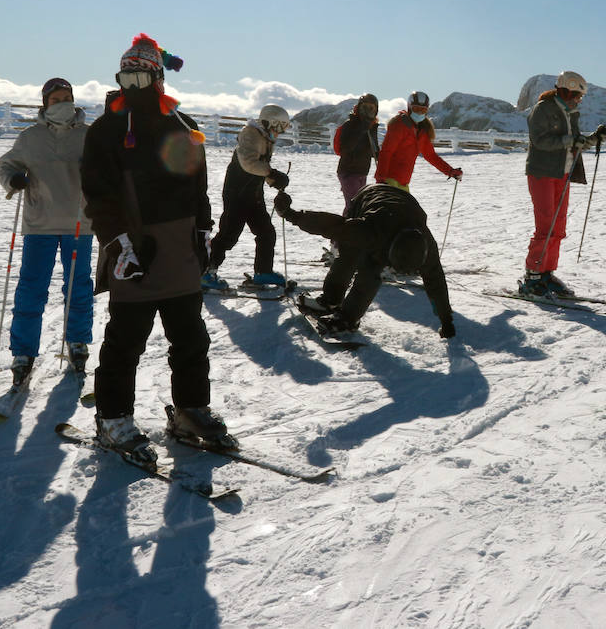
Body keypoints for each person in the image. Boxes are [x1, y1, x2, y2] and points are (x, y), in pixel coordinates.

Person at [81, 34, 232, 460]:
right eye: (125, 76)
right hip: (136, 251)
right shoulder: (107, 130)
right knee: (125, 341)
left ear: (158, 78)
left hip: (180, 250)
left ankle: (190, 409)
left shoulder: (181, 125)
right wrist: (118, 244)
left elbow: (197, 187)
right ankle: (113, 419)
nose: (132, 85)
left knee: (190, 338)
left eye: (140, 76)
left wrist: (204, 231)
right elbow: (98, 195)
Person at [0, 77, 94, 386]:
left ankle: (77, 341)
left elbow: (107, 169)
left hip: (80, 222)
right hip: (39, 223)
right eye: (55, 99)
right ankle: (23, 352)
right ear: (45, 103)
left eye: (67, 97)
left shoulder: (89, 136)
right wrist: (14, 180)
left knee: (77, 285)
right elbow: (6, 166)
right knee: (31, 288)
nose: (62, 104)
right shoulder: (30, 137)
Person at [272, 185, 455, 339]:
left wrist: (446, 321)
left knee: (371, 269)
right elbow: (332, 225)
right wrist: (290, 214)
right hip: (367, 200)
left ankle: (348, 318)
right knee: (353, 258)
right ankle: (331, 300)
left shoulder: (426, 246)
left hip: (405, 206)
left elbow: (436, 282)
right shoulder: (369, 229)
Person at [521, 70, 606, 296]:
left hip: (563, 173)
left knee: (558, 227)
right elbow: (539, 141)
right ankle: (532, 276)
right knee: (545, 226)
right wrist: (569, 140)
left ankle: (547, 272)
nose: (579, 99)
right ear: (567, 89)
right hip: (542, 172)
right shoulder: (543, 109)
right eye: (577, 94)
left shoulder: (571, 113)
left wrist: (593, 139)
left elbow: (574, 144)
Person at [201, 105, 292, 290]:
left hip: (253, 194)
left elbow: (260, 165)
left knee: (266, 232)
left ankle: (263, 272)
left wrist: (272, 180)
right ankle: (205, 272)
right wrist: (272, 173)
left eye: (284, 127)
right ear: (269, 122)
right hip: (237, 193)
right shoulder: (251, 134)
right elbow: (249, 163)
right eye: (279, 126)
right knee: (228, 234)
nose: (280, 131)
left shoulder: (265, 138)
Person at [374, 91, 462, 190]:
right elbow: (386, 152)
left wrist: (450, 171)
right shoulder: (399, 124)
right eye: (416, 109)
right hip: (389, 180)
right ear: (409, 107)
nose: (419, 113)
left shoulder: (422, 130)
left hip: (404, 182)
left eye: (423, 110)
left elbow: (430, 155)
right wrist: (381, 178)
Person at [335, 93, 380, 212]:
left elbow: (374, 150)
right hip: (348, 172)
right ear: (359, 108)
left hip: (362, 171)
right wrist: (361, 129)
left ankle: (347, 227)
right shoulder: (350, 125)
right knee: (354, 206)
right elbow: (346, 148)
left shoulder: (372, 127)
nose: (368, 111)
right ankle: (346, 229)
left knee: (358, 204)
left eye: (372, 108)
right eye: (365, 107)